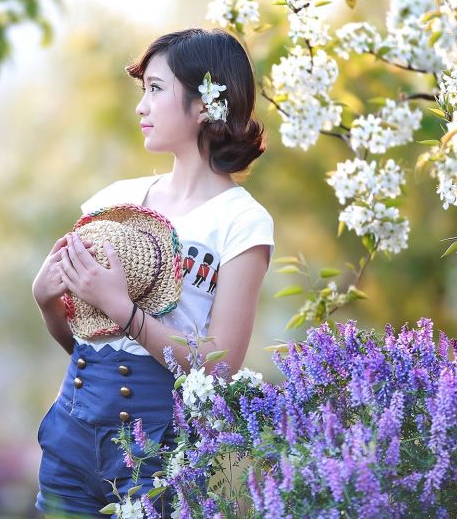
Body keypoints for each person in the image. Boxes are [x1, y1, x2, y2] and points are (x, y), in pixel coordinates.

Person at [31, 27, 275, 517]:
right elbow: (82, 340)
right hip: (70, 434)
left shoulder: (242, 221)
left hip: (158, 447)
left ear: (204, 104)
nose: (141, 107)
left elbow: (220, 367)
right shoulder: (112, 201)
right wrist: (45, 300)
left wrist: (124, 311)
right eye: (143, 90)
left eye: (156, 89)